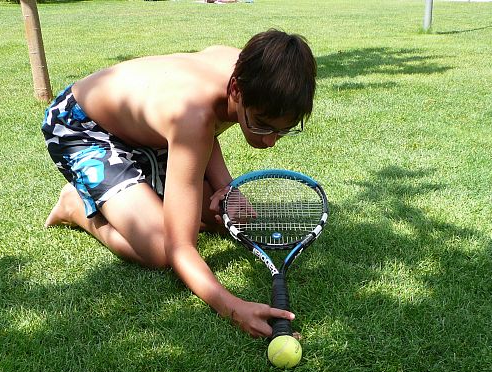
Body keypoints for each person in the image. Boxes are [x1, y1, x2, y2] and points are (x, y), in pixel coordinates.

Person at [42, 30, 316, 338]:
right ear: (237, 90)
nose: (269, 141)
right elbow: (180, 246)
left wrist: (225, 185)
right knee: (161, 249)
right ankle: (75, 206)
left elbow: (208, 125)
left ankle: (139, 192)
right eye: (261, 124)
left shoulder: (250, 69)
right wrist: (233, 307)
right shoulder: (193, 115)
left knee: (219, 218)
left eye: (283, 130)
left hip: (157, 132)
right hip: (83, 127)